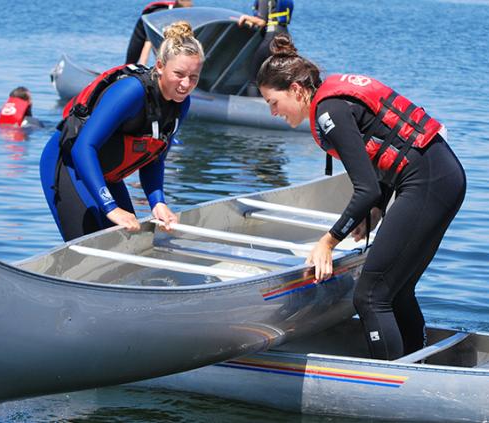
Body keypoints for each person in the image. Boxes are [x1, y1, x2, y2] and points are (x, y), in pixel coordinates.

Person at [256, 34, 467, 360]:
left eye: (273, 102)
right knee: (396, 291)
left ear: (296, 91)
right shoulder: (333, 103)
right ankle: (414, 366)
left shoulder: (329, 112)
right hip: (441, 177)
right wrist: (379, 209)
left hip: (428, 183)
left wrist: (328, 241)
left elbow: (365, 187)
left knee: (370, 296)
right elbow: (384, 162)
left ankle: (390, 385)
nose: (273, 112)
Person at [40, 21, 204, 242]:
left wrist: (158, 203)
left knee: (128, 242)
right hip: (70, 165)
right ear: (160, 66)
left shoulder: (180, 103)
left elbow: (154, 160)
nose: (186, 84)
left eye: (193, 77)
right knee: (89, 246)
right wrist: (110, 207)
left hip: (108, 176)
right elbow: (83, 147)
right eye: (179, 74)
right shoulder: (131, 92)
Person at [237, 0, 293, 95]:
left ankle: (253, 107)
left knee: (254, 79)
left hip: (271, 38)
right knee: (279, 77)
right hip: (284, 36)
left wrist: (245, 17)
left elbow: (262, 21)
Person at [126, 0, 194, 66]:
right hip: (145, 26)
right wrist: (142, 67)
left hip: (167, 28)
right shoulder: (161, 14)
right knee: (131, 61)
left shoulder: (186, 13)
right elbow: (148, 43)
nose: (191, 4)